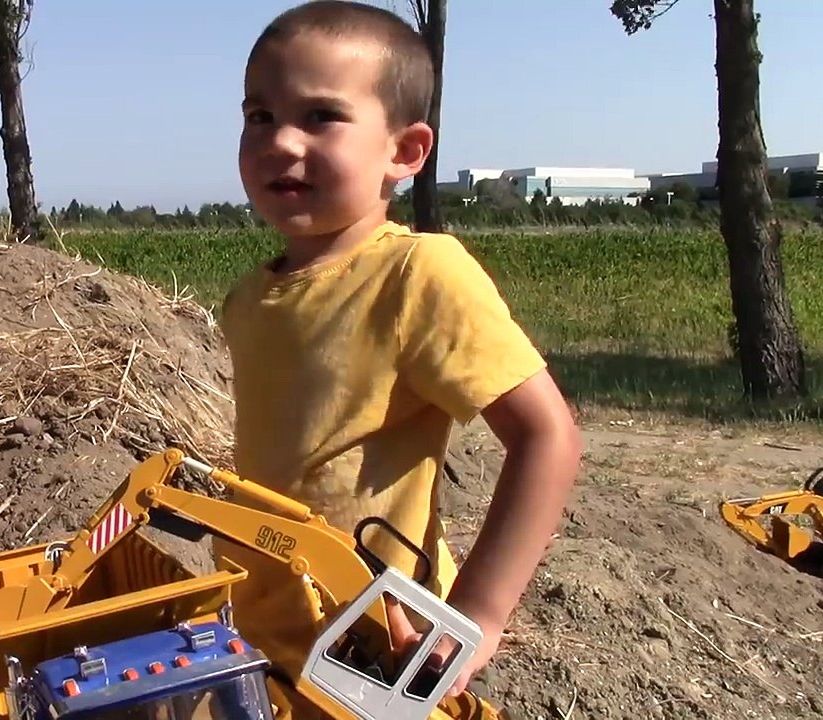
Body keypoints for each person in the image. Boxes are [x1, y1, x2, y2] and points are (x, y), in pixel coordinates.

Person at [211, 1, 583, 715]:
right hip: (260, 645)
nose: (280, 141)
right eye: (259, 115)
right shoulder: (248, 297)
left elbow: (549, 437)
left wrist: (478, 615)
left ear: (405, 153)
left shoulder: (418, 276)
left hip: (372, 658)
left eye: (320, 116)